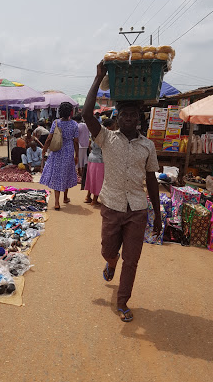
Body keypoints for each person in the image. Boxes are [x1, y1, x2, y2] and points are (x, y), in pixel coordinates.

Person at [82, 61, 161, 323]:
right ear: (118, 118)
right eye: (125, 115)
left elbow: (151, 181)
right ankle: (110, 262)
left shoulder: (148, 146)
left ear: (139, 120)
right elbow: (86, 115)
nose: (130, 119)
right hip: (113, 205)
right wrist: (98, 78)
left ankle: (123, 301)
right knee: (108, 250)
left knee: (132, 260)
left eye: (134, 116)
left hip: (137, 209)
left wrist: (157, 216)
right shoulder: (106, 138)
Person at [40, 102, 79, 210]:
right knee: (66, 172)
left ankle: (57, 202)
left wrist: (44, 150)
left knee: (57, 174)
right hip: (69, 150)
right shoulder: (74, 124)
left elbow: (49, 138)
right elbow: (76, 141)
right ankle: (65, 197)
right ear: (71, 112)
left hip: (57, 150)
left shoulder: (56, 122)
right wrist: (77, 155)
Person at [84, 118, 115, 206]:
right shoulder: (105, 135)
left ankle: (88, 196)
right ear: (108, 127)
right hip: (100, 160)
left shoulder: (94, 133)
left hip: (92, 157)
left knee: (91, 178)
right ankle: (94, 200)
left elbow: (89, 145)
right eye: (112, 127)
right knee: (98, 180)